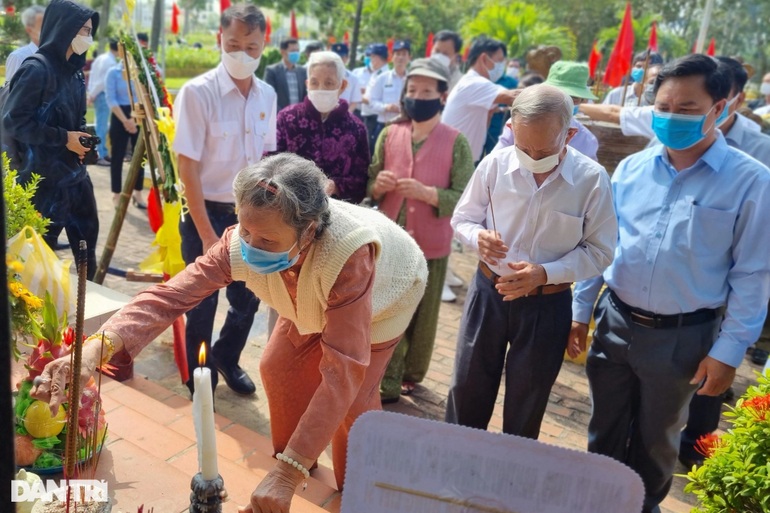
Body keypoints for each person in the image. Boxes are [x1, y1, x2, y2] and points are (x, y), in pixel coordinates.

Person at [33, 153, 428, 511]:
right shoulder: (242, 243)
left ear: (307, 233)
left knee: (354, 401)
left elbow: (343, 370)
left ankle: (355, 491)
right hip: (311, 298)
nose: (251, 246)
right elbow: (171, 297)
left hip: (385, 297)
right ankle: (291, 469)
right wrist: (92, 350)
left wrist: (287, 475)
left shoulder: (349, 254)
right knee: (276, 367)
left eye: (267, 240)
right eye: (245, 230)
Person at [570, 54, 770, 513]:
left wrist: (729, 352)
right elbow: (602, 246)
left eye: (686, 109)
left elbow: (753, 274)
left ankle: (642, 507)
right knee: (603, 429)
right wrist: (581, 311)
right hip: (616, 322)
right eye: (663, 107)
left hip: (684, 337)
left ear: (720, 109)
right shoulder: (632, 169)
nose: (670, 117)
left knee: (656, 442)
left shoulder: (752, 182)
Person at [446, 84, 617, 439]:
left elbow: (600, 251)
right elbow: (462, 218)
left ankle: (512, 481)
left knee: (527, 402)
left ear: (569, 134)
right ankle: (455, 466)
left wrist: (545, 273)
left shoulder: (591, 180)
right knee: (467, 389)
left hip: (547, 305)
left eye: (544, 149)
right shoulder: (495, 165)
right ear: (511, 129)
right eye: (524, 148)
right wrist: (479, 237)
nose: (533, 157)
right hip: (488, 294)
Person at [173, 3, 276, 396]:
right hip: (207, 212)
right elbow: (188, 168)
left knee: (248, 297)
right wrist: (205, 233)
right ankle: (200, 377)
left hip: (251, 215)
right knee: (201, 302)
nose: (242, 54)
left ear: (263, 44)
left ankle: (226, 357)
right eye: (233, 44)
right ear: (220, 39)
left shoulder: (267, 94)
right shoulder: (199, 93)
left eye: (251, 46)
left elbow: (266, 159)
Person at [677, 55, 770, 468]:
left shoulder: (759, 152)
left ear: (730, 100)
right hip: (690, 274)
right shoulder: (677, 135)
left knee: (716, 367)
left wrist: (734, 345)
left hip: (733, 275)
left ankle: (696, 444)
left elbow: (755, 256)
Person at [368, 58, 474, 403]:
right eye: (412, 90)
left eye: (426, 91)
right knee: (387, 305)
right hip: (391, 239)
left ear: (442, 96)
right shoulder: (390, 133)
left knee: (423, 314)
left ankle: (411, 373)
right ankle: (387, 375)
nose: (417, 97)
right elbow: (370, 180)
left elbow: (465, 196)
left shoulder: (456, 142)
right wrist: (378, 185)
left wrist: (429, 194)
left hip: (430, 242)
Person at [2, 0, 100, 279]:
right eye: (82, 30)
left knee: (86, 250)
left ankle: (81, 313)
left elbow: (77, 120)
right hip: (41, 182)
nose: (87, 38)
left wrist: (84, 142)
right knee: (37, 259)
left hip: (76, 178)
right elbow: (14, 120)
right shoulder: (36, 69)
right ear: (64, 28)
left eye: (90, 30)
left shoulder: (75, 72)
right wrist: (63, 138)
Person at [276, 51, 369, 203]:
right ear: (307, 84)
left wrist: (335, 185)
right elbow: (269, 164)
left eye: (329, 83)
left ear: (342, 85)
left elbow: (361, 180)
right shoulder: (287, 119)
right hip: (291, 211)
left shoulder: (356, 128)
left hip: (338, 214)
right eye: (314, 82)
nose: (321, 88)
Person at [494, 61, 600, 161]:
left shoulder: (586, 140)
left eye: (573, 99)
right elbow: (497, 161)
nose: (565, 103)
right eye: (558, 96)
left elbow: (587, 175)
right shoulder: (518, 124)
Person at [441, 37, 519, 164]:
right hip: (453, 162)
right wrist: (552, 95)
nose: (501, 67)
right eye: (499, 61)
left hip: (461, 160)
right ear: (483, 59)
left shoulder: (473, 82)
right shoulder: (474, 83)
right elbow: (513, 96)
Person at [105, 59, 144, 208]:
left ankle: (138, 191)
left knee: (140, 156)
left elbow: (143, 96)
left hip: (138, 115)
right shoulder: (113, 73)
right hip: (119, 114)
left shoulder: (139, 71)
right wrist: (126, 121)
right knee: (117, 155)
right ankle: (116, 193)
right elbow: (111, 98)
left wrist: (134, 120)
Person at [366, 40, 411, 143]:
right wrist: (386, 107)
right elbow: (372, 102)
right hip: (384, 125)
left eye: (404, 54)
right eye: (398, 54)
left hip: (405, 126)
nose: (400, 57)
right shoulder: (382, 78)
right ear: (392, 57)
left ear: (409, 58)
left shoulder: (412, 79)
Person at [87, 38, 118, 165]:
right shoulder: (110, 61)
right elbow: (102, 82)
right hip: (102, 94)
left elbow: (93, 76)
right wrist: (93, 94)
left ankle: (100, 153)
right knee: (102, 126)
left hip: (97, 93)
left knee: (99, 124)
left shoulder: (101, 58)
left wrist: (91, 93)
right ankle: (100, 154)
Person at [358, 43, 389, 153]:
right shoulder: (377, 73)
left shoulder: (383, 75)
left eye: (372, 57)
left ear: (378, 57)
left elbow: (374, 99)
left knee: (371, 150)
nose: (370, 60)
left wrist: (359, 97)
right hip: (369, 117)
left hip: (375, 117)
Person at [264, 38, 307, 112]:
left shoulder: (302, 71)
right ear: (283, 52)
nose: (296, 54)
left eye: (297, 51)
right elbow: (269, 97)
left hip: (298, 117)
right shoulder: (272, 71)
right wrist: (282, 115)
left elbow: (305, 96)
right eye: (293, 51)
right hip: (280, 117)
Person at [5, 5, 45, 82]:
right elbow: (11, 91)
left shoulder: (54, 55)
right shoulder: (18, 57)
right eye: (43, 26)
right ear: (29, 30)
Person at [330, 43, 362, 111]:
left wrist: (347, 116)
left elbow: (354, 101)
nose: (337, 60)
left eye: (341, 57)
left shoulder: (353, 78)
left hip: (345, 116)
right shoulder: (322, 75)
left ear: (347, 58)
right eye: (335, 57)